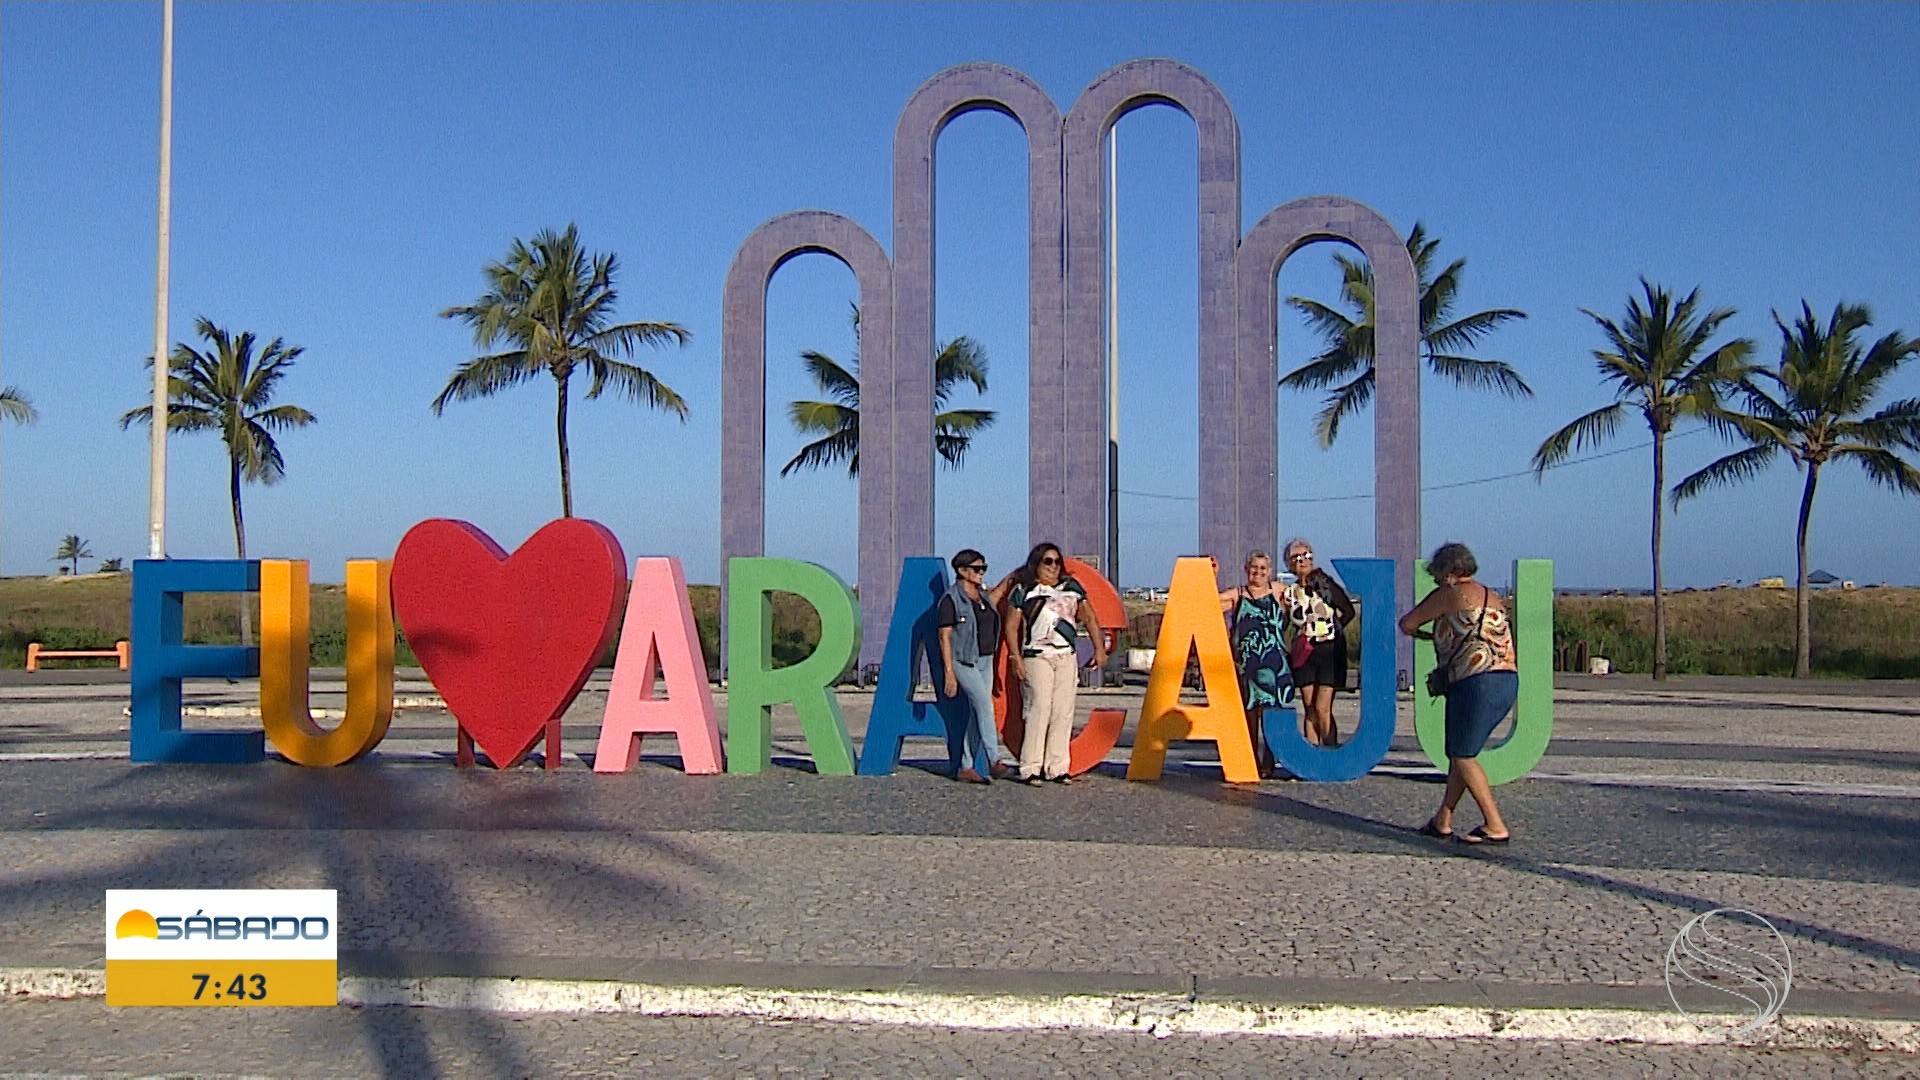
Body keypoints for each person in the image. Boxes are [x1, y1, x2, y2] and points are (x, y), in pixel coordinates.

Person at [1399, 541, 1518, 844]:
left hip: (1474, 682)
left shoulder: (1450, 594)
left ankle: (1494, 824)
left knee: (1462, 754)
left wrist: (1426, 635)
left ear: (1446, 572)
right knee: (1461, 751)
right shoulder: (1493, 596)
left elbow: (1408, 622)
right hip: (1506, 679)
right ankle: (1444, 819)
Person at [1003, 542, 1106, 785]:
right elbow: (1011, 625)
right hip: (1037, 654)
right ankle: (1030, 767)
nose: (1053, 567)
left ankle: (1057, 766)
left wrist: (1099, 649)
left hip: (1065, 654)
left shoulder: (1072, 588)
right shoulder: (1024, 590)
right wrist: (1015, 656)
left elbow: (1089, 617)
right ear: (1036, 564)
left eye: (1057, 562)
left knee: (1063, 710)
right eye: (1047, 562)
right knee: (1039, 707)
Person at [935, 548, 1018, 783]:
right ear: (962, 571)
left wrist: (1013, 577)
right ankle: (994, 759)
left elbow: (998, 594)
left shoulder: (982, 597)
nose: (981, 573)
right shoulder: (951, 600)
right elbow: (944, 636)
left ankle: (966, 766)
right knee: (985, 705)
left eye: (984, 568)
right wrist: (949, 672)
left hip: (985, 659)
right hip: (964, 661)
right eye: (976, 569)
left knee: (976, 713)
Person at [1219, 551, 1292, 778]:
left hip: (1275, 663)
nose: (1258, 572)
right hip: (1247, 665)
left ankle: (1270, 762)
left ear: (1269, 571)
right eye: (1254, 567)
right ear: (1246, 569)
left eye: (1262, 568)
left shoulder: (1279, 591)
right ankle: (1250, 759)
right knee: (1249, 714)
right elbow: (1209, 605)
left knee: (1272, 715)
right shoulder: (1237, 595)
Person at [1280, 538, 1354, 748]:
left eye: (1307, 556)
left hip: (1329, 649)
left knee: (1323, 707)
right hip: (1305, 651)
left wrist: (1333, 629)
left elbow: (1347, 610)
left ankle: (1330, 751)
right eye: (1297, 557)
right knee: (1309, 706)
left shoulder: (1325, 584)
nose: (1303, 560)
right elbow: (1284, 623)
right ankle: (1312, 754)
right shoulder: (1290, 593)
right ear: (1289, 563)